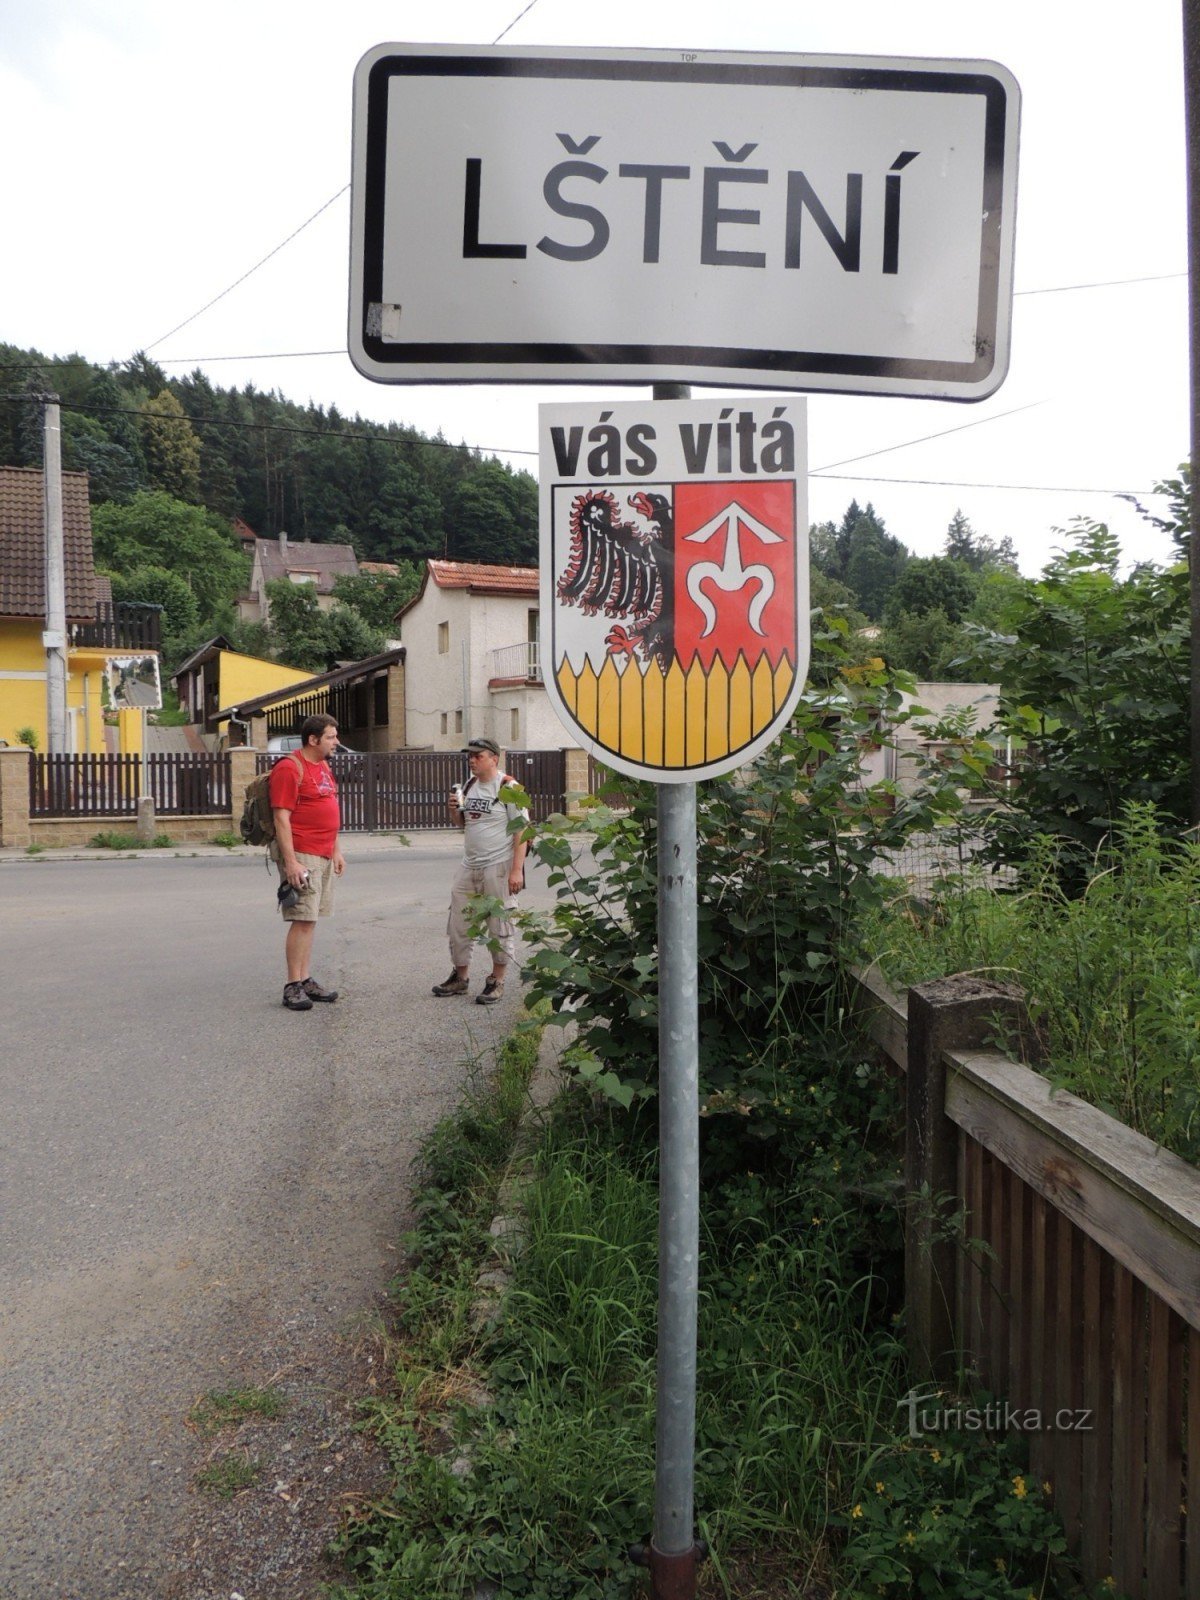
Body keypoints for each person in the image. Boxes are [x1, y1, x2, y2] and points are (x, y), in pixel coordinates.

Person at [432, 736, 529, 1006]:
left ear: (494, 758)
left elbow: (522, 831)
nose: (472, 761)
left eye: (478, 756)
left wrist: (516, 871)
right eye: (470, 756)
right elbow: (463, 824)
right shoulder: (470, 785)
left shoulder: (509, 787)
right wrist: (453, 810)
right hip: (469, 864)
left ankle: (496, 980)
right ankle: (460, 977)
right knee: (459, 923)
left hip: (498, 866)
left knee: (500, 924)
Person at [269, 712, 346, 1011]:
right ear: (313, 739)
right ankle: (292, 985)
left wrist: (336, 850)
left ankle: (305, 979)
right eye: (330, 736)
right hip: (302, 854)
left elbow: (330, 808)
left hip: (324, 853)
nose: (336, 741)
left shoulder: (323, 766)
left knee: (310, 919)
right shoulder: (290, 768)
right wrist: (291, 862)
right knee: (301, 919)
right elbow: (281, 817)